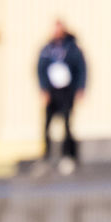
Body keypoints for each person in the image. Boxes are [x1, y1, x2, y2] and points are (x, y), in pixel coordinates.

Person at [37, 20, 86, 171]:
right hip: (53, 91)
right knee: (47, 124)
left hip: (67, 90)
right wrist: (43, 88)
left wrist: (80, 87)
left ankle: (68, 155)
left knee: (66, 122)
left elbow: (81, 68)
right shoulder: (47, 49)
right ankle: (47, 156)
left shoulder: (72, 48)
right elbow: (40, 68)